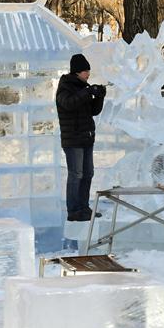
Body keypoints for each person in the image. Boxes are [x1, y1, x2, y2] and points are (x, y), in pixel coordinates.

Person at [56, 53, 106, 222]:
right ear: (77, 72)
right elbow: (69, 104)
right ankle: (73, 210)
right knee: (76, 174)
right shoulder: (65, 87)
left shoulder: (83, 87)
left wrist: (100, 96)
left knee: (88, 173)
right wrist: (87, 91)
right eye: (85, 71)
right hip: (73, 140)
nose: (88, 74)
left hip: (86, 138)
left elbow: (93, 111)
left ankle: (84, 208)